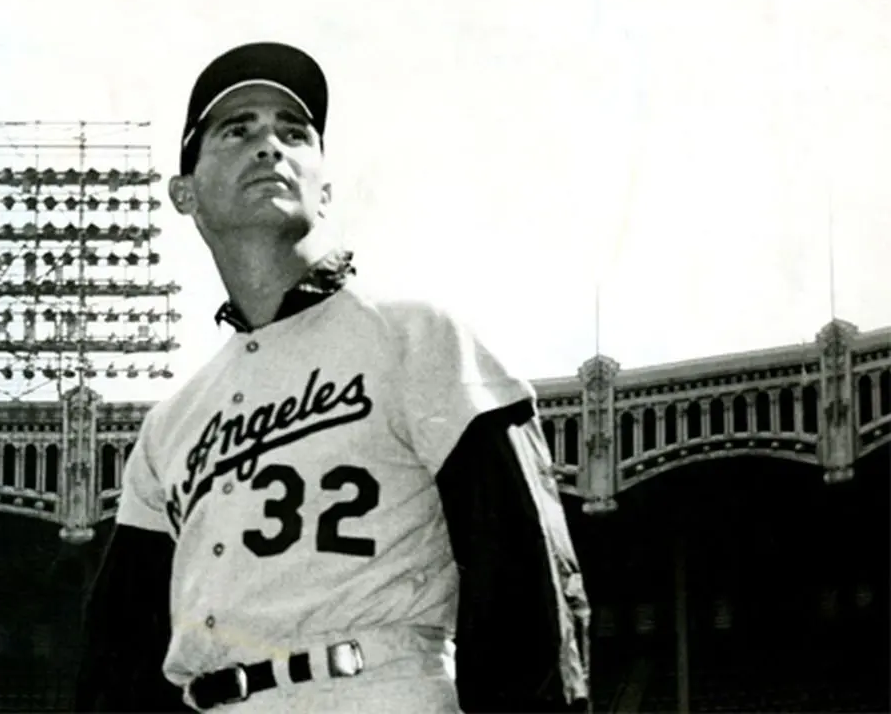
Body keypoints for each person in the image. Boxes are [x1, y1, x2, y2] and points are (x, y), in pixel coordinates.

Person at [75, 41, 591, 713]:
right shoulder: (170, 426)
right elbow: (120, 661)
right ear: (185, 192)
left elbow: (528, 577)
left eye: (294, 132)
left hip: (378, 688)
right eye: (238, 130)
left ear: (324, 189)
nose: (269, 145)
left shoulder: (417, 337)